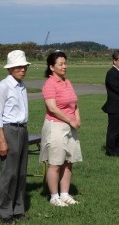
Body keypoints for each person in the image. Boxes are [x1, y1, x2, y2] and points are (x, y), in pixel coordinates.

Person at [0, 50, 31, 223]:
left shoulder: (22, 86)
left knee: (21, 173)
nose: (22, 70)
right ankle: (5, 212)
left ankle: (18, 208)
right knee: (9, 173)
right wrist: (2, 140)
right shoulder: (3, 86)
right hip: (9, 130)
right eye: (18, 67)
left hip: (22, 130)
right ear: (10, 69)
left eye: (24, 67)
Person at [39, 52, 82, 207]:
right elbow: (52, 108)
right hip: (56, 126)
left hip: (70, 126)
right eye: (60, 64)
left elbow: (74, 102)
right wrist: (70, 120)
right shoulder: (49, 84)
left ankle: (64, 194)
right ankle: (54, 196)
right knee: (55, 163)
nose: (64, 66)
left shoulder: (67, 82)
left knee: (69, 161)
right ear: (51, 67)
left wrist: (77, 118)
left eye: (65, 63)